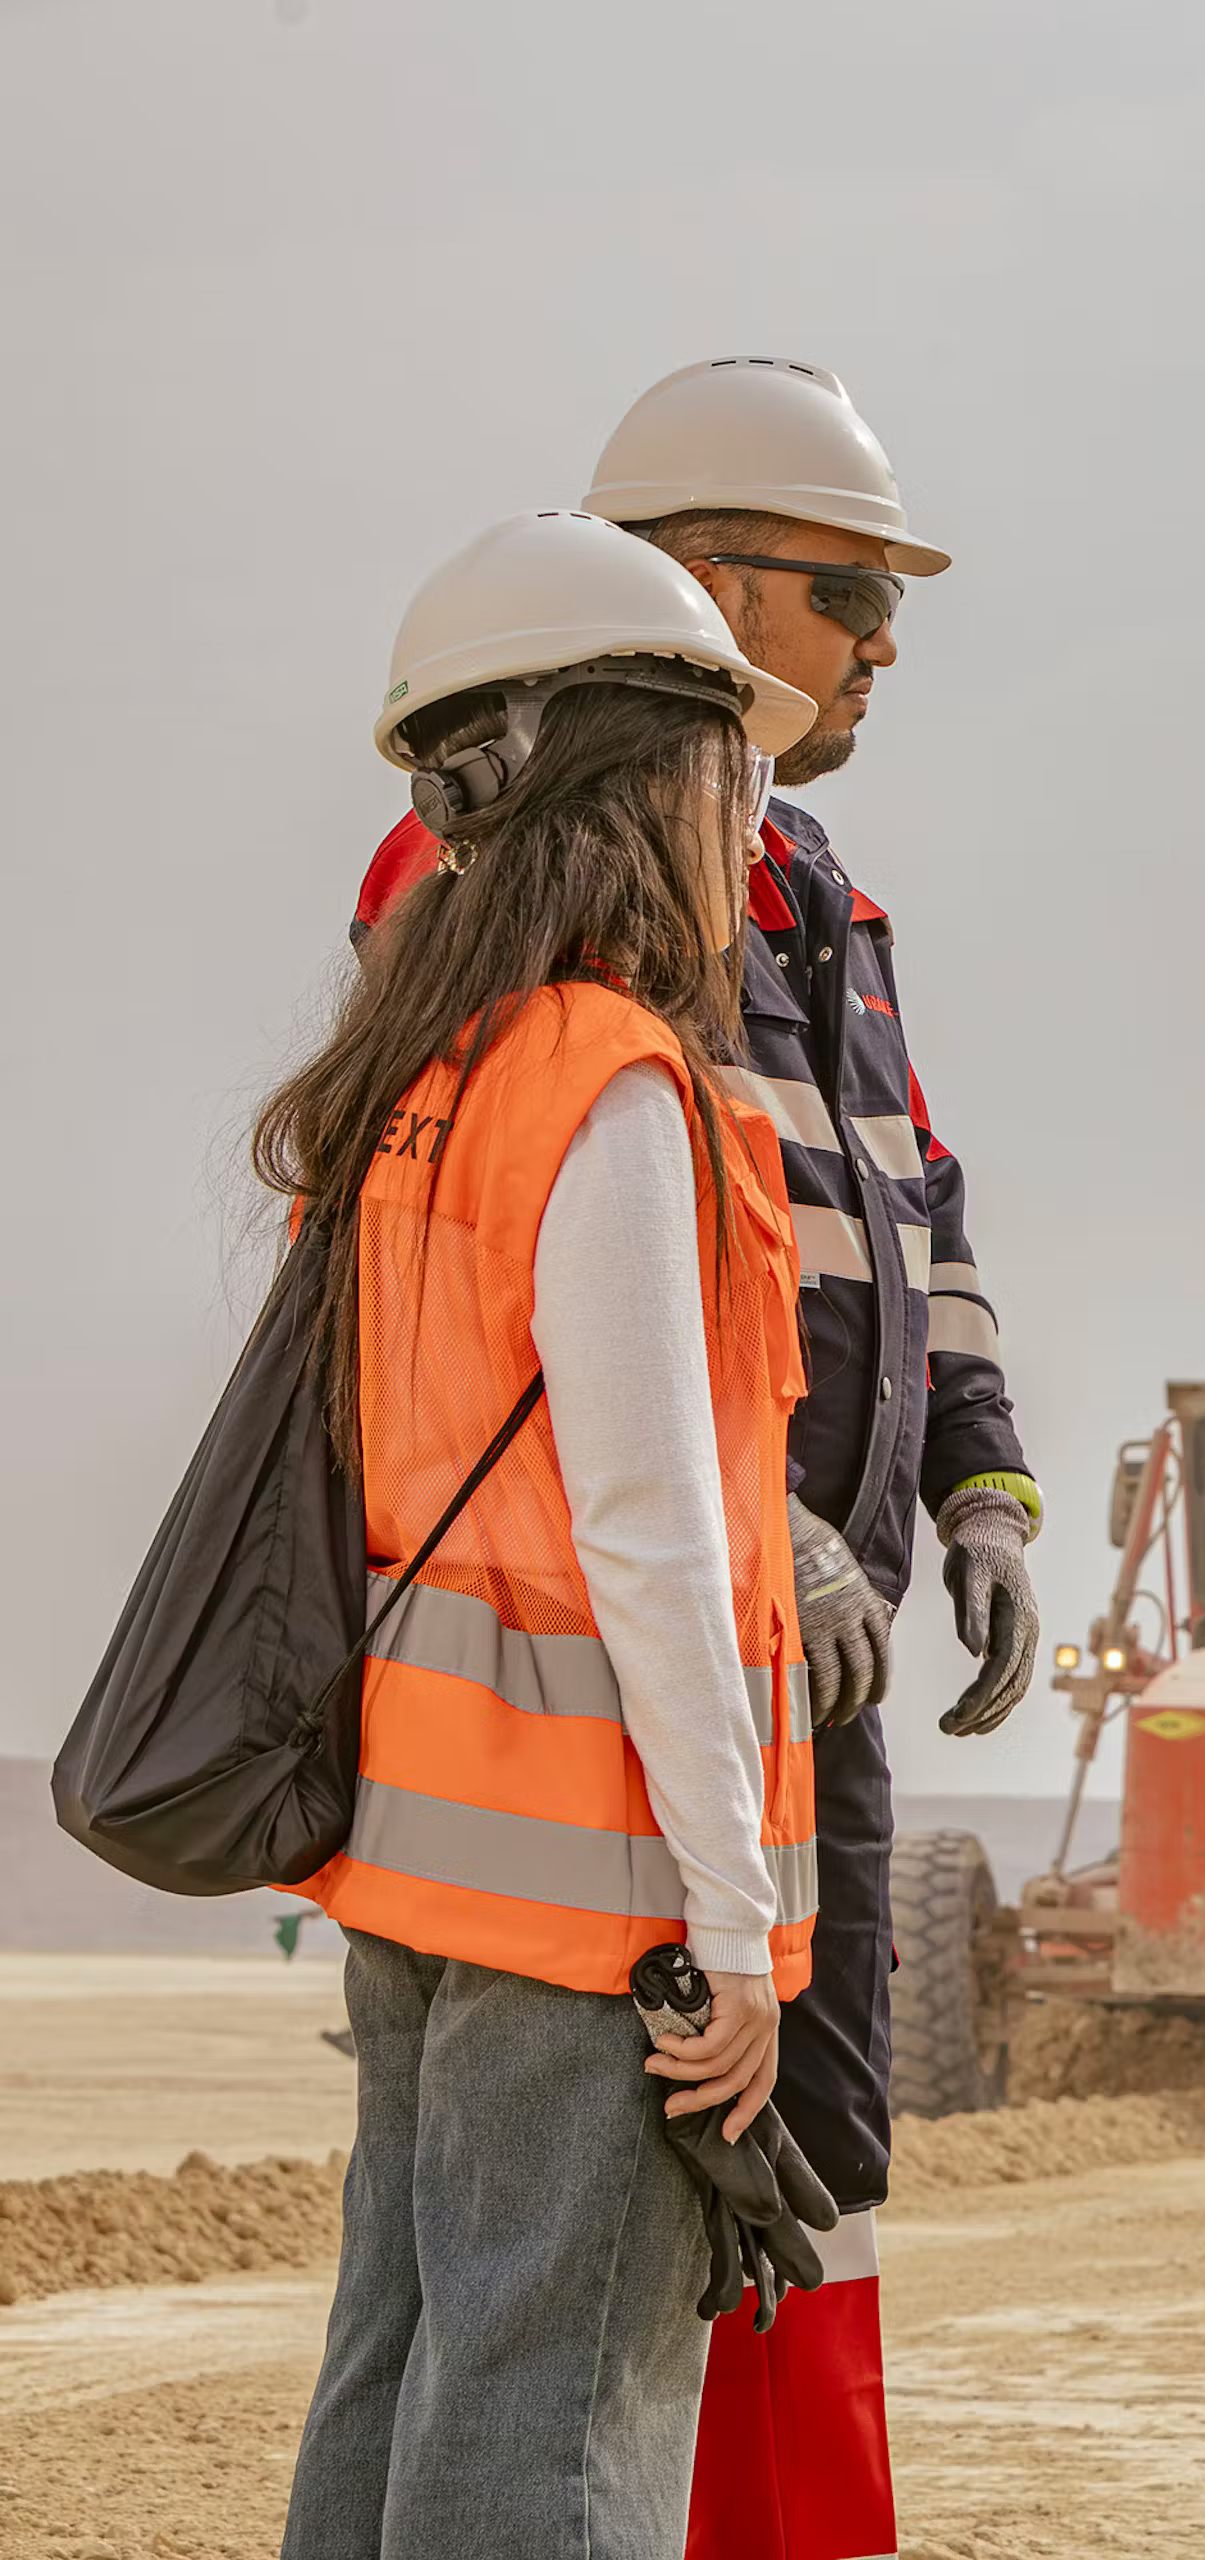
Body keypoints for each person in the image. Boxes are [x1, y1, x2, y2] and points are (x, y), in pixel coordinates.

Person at [347, 358, 1041, 2560]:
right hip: (641, 1692)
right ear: (711, 590)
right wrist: (765, 1539)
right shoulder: (547, 882)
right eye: (850, 590)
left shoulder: (819, 896)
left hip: (768, 1660)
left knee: (795, 2176)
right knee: (568, 2290)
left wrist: (979, 1490)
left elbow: (918, 1216)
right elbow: (569, 1344)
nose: (885, 643)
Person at [272, 512, 825, 2556]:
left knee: (402, 2358)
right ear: (643, 776)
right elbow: (648, 1531)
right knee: (551, 2415)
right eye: (725, 765)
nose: (743, 813)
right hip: (591, 1889)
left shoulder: (417, 1076)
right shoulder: (606, 1080)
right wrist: (736, 1912)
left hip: (419, 1855)